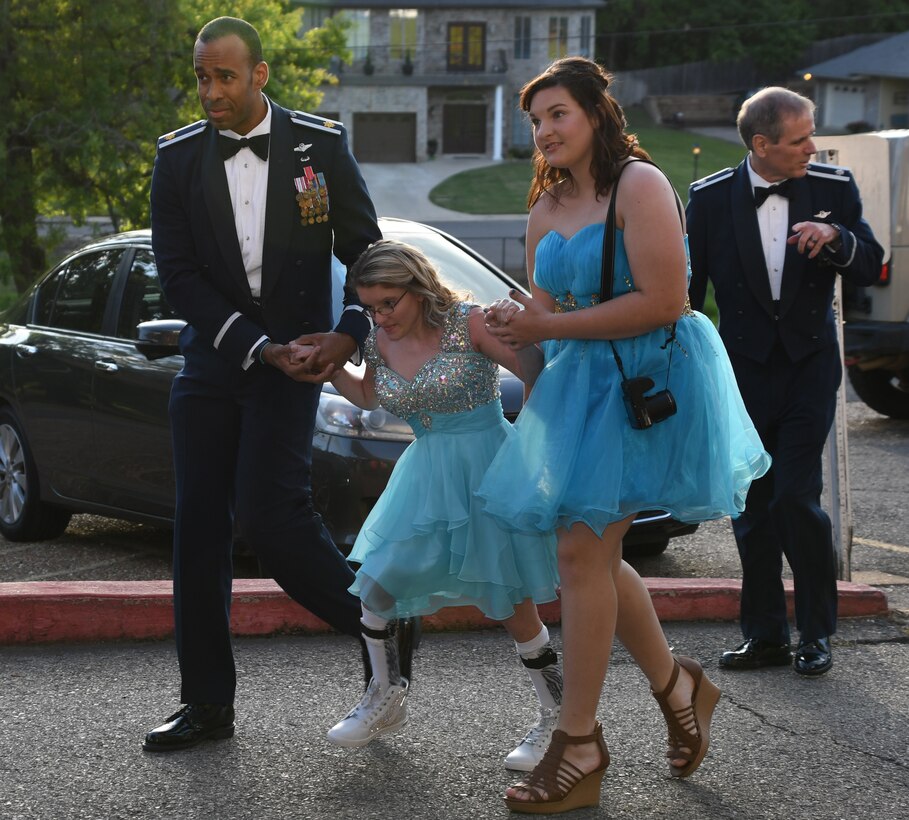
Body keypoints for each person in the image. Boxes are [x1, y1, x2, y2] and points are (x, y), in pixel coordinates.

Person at [476, 57, 771, 813]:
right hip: (577, 389)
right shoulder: (544, 204)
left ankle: (577, 742)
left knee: (580, 551)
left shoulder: (639, 185)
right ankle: (677, 687)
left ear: (595, 115)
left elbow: (666, 300)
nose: (543, 131)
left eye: (556, 115)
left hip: (646, 384)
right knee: (589, 554)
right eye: (534, 120)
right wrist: (505, 336)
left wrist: (545, 323)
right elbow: (541, 324)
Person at [144, 16, 416, 752]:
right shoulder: (175, 161)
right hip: (214, 366)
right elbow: (179, 276)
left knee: (274, 525)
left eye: (224, 76)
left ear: (258, 75)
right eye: (201, 76)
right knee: (196, 535)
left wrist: (349, 334)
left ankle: (382, 622)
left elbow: (368, 251)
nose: (210, 91)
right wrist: (254, 345)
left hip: (297, 365)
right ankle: (206, 706)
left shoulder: (318, 146)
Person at [298, 239, 562, 768]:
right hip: (425, 474)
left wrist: (532, 448)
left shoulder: (470, 323)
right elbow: (371, 395)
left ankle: (557, 717)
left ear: (418, 288)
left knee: (513, 605)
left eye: (388, 302)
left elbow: (538, 371)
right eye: (371, 306)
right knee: (375, 588)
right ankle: (384, 695)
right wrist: (329, 368)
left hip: (490, 468)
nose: (380, 316)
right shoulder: (376, 341)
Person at [687, 87, 883, 677]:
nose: (812, 147)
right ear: (762, 144)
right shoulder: (710, 198)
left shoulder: (833, 187)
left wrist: (839, 240)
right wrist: (688, 372)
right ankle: (765, 635)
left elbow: (872, 262)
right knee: (751, 506)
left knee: (797, 496)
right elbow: (690, 296)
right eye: (800, 139)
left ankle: (816, 633)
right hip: (741, 371)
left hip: (809, 366)